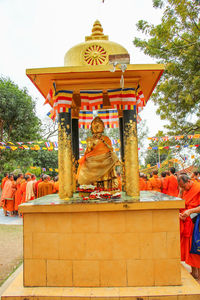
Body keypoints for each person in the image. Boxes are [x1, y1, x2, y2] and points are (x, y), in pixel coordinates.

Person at [77, 116, 119, 189]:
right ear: (92, 128)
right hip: (92, 161)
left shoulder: (106, 138)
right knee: (88, 167)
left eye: (99, 126)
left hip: (105, 160)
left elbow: (110, 149)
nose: (97, 128)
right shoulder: (90, 139)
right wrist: (90, 145)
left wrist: (105, 143)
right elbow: (88, 151)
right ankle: (94, 189)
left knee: (106, 173)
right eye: (95, 126)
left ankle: (106, 189)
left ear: (102, 127)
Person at [178, 174, 200, 279]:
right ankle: (194, 271)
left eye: (183, 186)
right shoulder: (184, 190)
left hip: (196, 222)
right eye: (180, 186)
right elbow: (178, 203)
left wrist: (190, 210)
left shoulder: (198, 188)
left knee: (196, 246)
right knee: (190, 248)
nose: (183, 188)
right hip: (187, 221)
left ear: (189, 181)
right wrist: (181, 191)